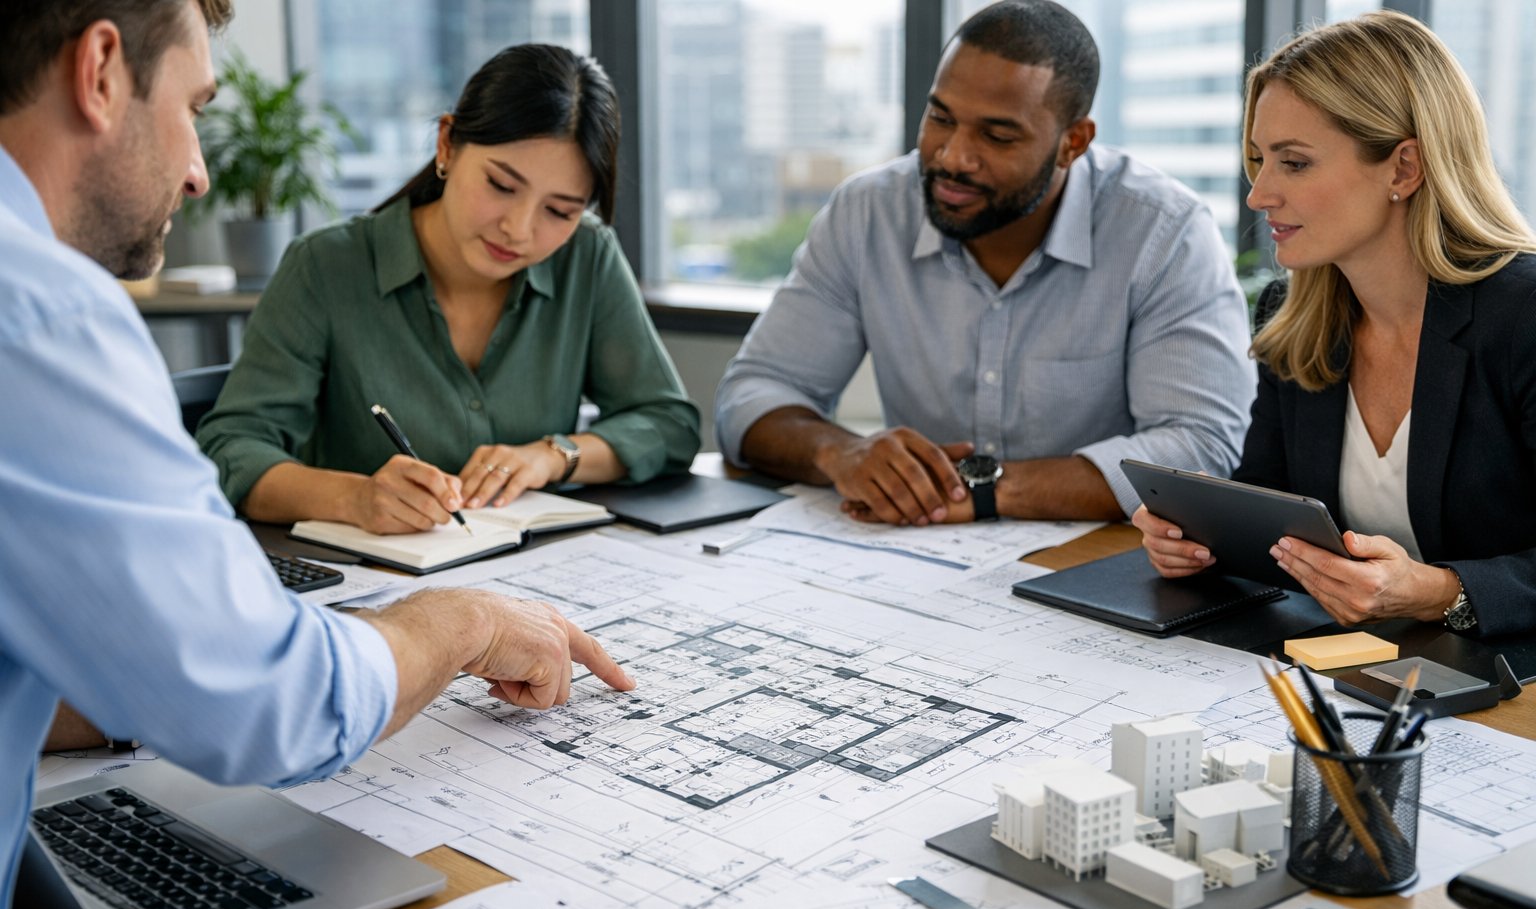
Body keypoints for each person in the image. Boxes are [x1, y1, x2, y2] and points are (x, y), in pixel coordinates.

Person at [0, 0, 635, 909]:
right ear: (100, 71)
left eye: (558, 208)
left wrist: (135, 680)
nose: (201, 169)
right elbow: (270, 703)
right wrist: (457, 622)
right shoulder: (40, 314)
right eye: (197, 107)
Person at [713, 0, 1253, 528]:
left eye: (996, 136)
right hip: (911, 563)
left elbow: (1201, 446)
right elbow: (751, 396)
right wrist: (840, 453)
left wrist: (986, 490)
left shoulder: (1163, 231)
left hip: (1102, 566)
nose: (952, 156)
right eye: (940, 119)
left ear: (1072, 143)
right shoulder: (867, 211)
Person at [1134, 10, 1536, 638]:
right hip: (1352, 670)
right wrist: (1197, 541)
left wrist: (1440, 592)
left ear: (1403, 169)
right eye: (1259, 159)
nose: (1258, 194)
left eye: (1293, 163)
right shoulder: (1295, 318)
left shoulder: (1524, 317)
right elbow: (1270, 510)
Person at [197, 44, 699, 535]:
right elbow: (232, 449)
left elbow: (669, 424)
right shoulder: (326, 267)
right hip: (372, 586)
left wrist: (553, 457)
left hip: (541, 576)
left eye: (560, 211)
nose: (519, 230)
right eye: (501, 185)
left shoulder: (586, 257)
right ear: (447, 145)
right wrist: (354, 498)